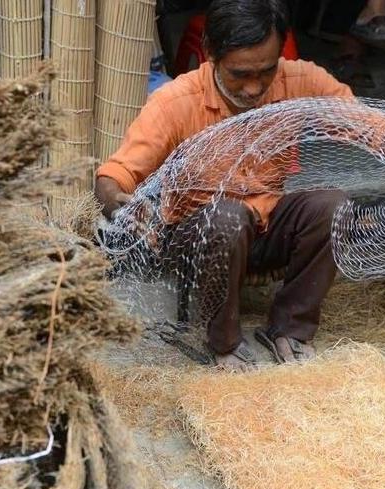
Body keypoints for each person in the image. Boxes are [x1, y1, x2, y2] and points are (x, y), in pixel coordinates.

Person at [94, 0, 353, 366]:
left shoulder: (301, 81)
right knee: (228, 217)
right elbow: (114, 174)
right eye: (239, 74)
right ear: (210, 54)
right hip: (198, 239)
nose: (253, 88)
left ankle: (289, 329)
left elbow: (361, 121)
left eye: (265, 72)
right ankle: (224, 343)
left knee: (333, 205)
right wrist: (123, 206)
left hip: (265, 227)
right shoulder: (175, 102)